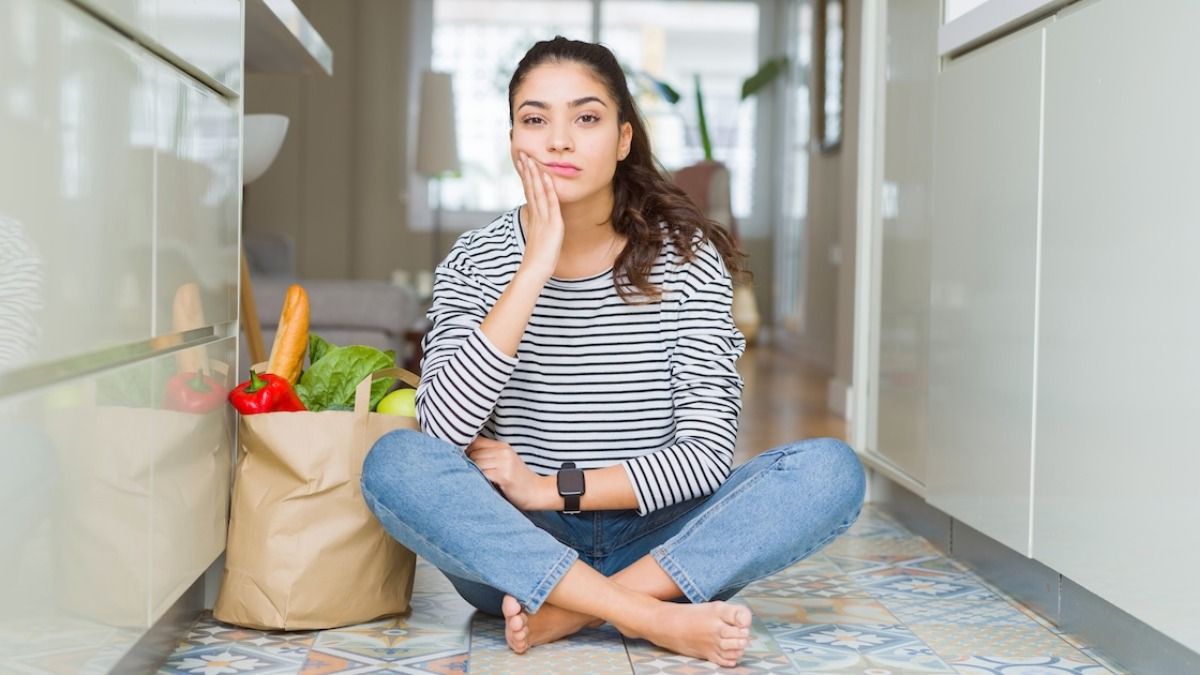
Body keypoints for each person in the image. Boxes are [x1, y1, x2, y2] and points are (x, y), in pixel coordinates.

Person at [361, 36, 865, 668]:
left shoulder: (686, 260)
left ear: (624, 139)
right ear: (513, 138)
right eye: (535, 119)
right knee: (394, 462)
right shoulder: (475, 258)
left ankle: (573, 611)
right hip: (519, 548)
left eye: (587, 117)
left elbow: (708, 456)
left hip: (661, 537)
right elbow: (441, 434)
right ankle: (647, 616)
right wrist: (533, 267)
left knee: (830, 472)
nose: (559, 140)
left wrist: (551, 489)